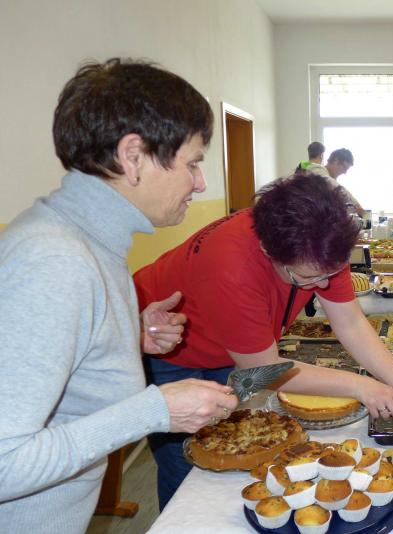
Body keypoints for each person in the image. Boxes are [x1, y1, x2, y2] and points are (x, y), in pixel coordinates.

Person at [0, 58, 238, 534]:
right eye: (192, 163)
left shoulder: (87, 242)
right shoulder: (54, 260)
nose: (200, 183)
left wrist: (123, 335)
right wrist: (155, 410)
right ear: (133, 156)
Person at [134, 172, 393, 508]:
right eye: (308, 278)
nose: (322, 286)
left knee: (236, 445)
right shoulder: (230, 266)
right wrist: (362, 386)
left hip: (226, 346)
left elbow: (350, 322)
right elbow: (263, 369)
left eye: (330, 275)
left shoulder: (323, 241)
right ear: (268, 250)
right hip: (163, 345)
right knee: (189, 467)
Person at [306, 147, 364, 215]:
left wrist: (354, 210)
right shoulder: (316, 168)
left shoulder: (332, 182)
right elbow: (333, 184)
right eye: (344, 167)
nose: (345, 172)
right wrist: (356, 204)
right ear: (335, 160)